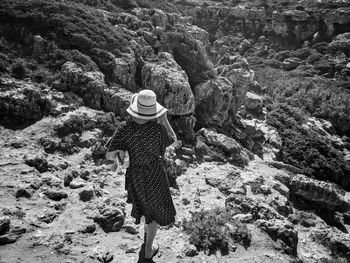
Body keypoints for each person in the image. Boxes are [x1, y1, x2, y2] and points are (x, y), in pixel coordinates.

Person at [105, 89, 177, 261]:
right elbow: (173, 140)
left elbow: (108, 155)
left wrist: (121, 153)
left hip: (135, 174)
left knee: (145, 206)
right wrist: (165, 120)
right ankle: (148, 250)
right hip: (155, 173)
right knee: (154, 214)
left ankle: (147, 237)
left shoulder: (124, 128)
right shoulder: (158, 129)